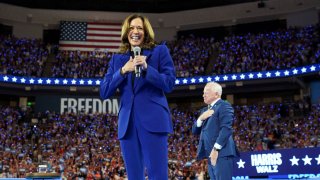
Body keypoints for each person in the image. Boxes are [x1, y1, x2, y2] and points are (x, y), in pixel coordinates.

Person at [100, 14, 176, 179]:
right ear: (126, 32)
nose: (135, 31)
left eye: (139, 28)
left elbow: (169, 83)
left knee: (158, 175)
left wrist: (148, 68)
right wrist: (122, 71)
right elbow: (104, 91)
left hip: (154, 121)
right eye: (131, 28)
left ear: (146, 31)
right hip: (127, 125)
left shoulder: (159, 51)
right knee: (134, 176)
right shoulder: (117, 59)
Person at [192, 82, 239, 180]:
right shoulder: (204, 110)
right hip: (210, 155)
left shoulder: (224, 106)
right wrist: (200, 118)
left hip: (221, 153)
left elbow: (226, 129)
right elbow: (195, 131)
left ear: (217, 94)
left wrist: (216, 149)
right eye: (203, 92)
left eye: (207, 92)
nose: (203, 95)